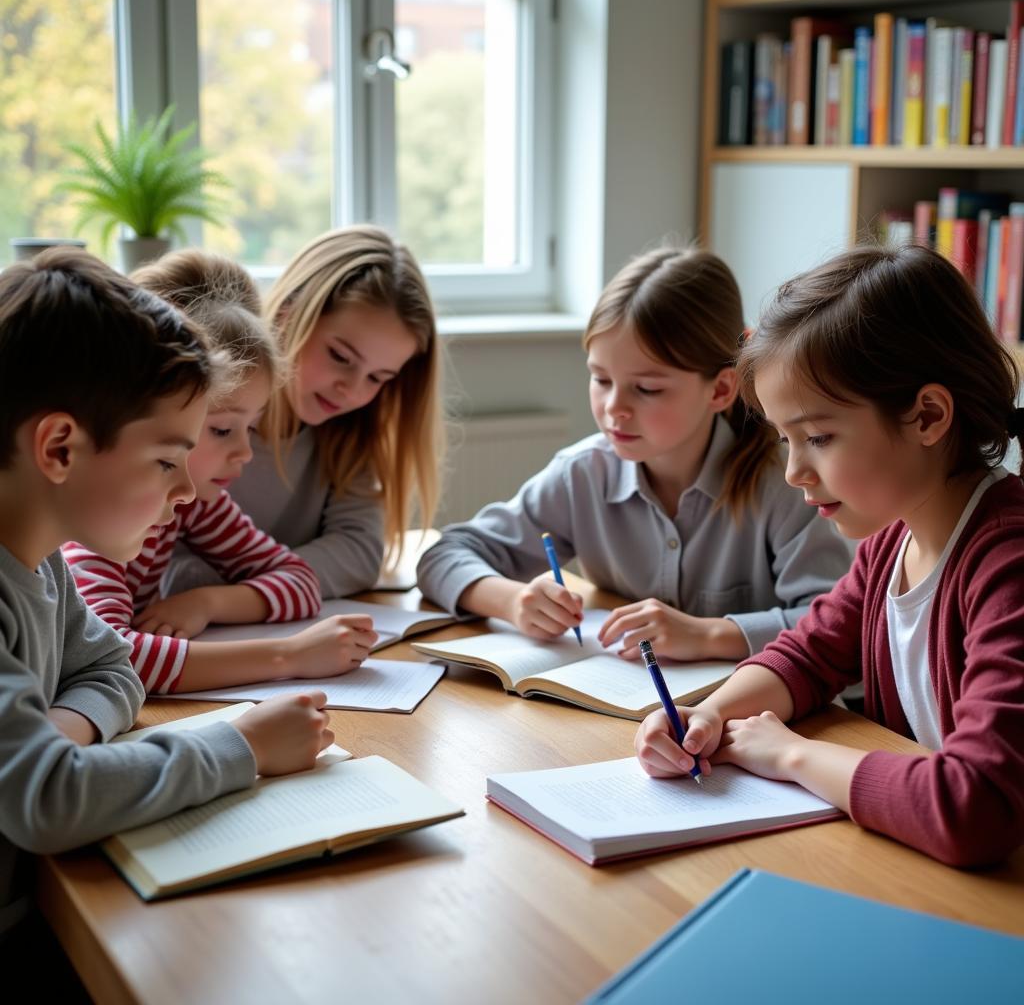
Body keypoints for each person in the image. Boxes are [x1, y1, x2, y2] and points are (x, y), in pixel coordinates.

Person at [635, 244, 1024, 867]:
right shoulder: (890, 543)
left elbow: (973, 807)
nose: (793, 472)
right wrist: (703, 717)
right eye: (786, 440)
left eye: (817, 437)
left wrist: (787, 754)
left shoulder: (1007, 563)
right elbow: (807, 656)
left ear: (927, 415)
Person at [0, 249, 334, 964]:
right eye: (163, 461)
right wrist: (241, 747)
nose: (185, 492)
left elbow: (115, 666)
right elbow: (47, 800)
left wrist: (58, 730)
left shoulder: (44, 562)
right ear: (59, 448)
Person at [418, 246, 852, 661]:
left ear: (721, 388)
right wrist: (512, 600)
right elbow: (443, 555)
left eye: (647, 388)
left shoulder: (786, 483)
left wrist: (707, 634)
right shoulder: (583, 474)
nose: (613, 409)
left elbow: (839, 625)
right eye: (600, 379)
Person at [64, 250, 375, 693]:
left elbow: (300, 579)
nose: (245, 452)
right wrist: (290, 656)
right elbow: (112, 659)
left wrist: (208, 602)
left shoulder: (195, 504)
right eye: (224, 428)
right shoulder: (95, 520)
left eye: (252, 426)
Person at [164, 226, 444, 600]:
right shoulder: (204, 410)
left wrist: (233, 600)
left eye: (378, 377)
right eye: (340, 357)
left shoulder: (348, 432)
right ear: (286, 315)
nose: (354, 389)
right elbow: (160, 565)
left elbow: (359, 553)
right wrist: (275, 588)